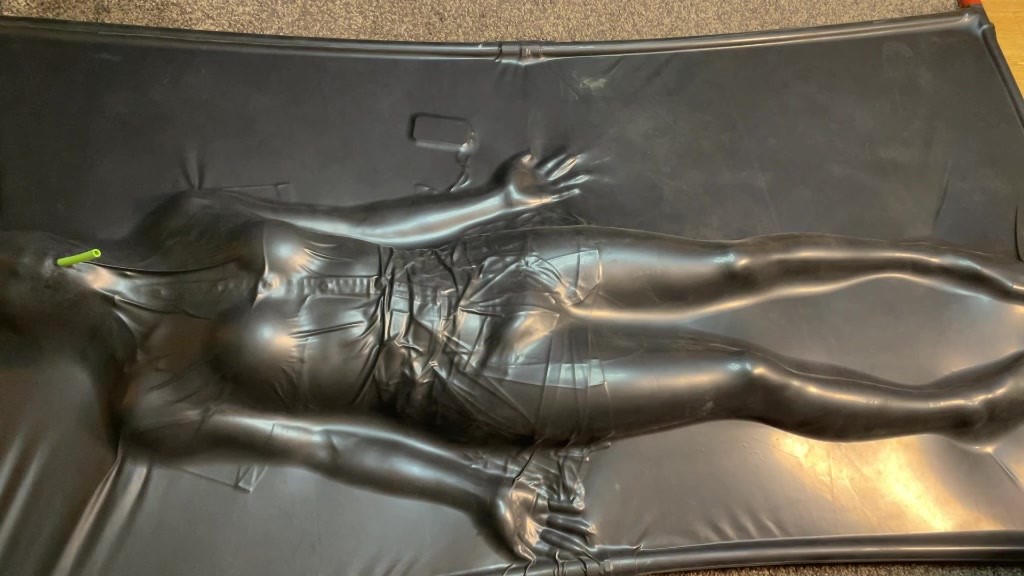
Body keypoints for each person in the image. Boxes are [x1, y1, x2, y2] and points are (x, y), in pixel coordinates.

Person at [3, 152, 1024, 561]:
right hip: (470, 380)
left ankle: (955, 265)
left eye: (18, 245)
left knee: (731, 262)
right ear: (27, 319)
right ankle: (966, 414)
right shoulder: (153, 396)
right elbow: (324, 446)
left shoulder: (185, 220)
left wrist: (494, 201)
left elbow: (357, 226)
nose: (28, 256)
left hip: (483, 271)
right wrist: (482, 490)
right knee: (742, 374)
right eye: (14, 275)